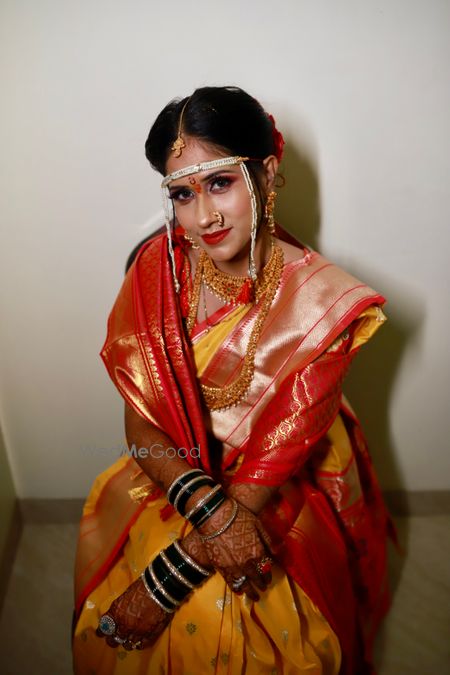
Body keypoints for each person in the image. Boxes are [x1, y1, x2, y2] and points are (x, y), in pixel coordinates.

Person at [73, 86, 392, 675]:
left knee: (237, 613)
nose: (204, 217)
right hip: (174, 463)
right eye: (183, 193)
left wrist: (165, 583)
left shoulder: (322, 302)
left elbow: (273, 462)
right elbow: (140, 419)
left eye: (220, 183)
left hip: (280, 478)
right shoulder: (157, 270)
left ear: (266, 174)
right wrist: (206, 508)